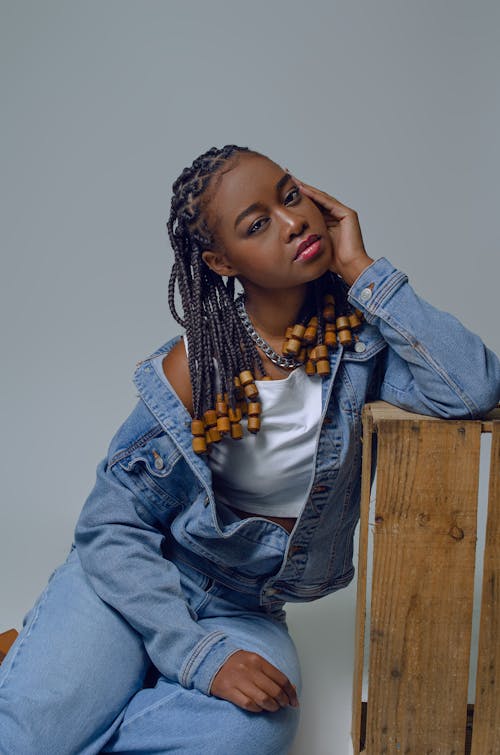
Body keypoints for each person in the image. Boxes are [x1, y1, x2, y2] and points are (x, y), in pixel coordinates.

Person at [0, 144, 499, 755]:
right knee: (26, 739)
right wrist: (198, 659)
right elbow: (109, 525)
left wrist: (363, 269)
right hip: (138, 583)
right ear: (221, 261)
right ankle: (73, 677)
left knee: (251, 731)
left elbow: (472, 389)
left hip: (245, 606)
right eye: (257, 224)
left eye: (290, 196)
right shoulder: (197, 366)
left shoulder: (360, 351)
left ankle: (69, 681)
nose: (292, 223)